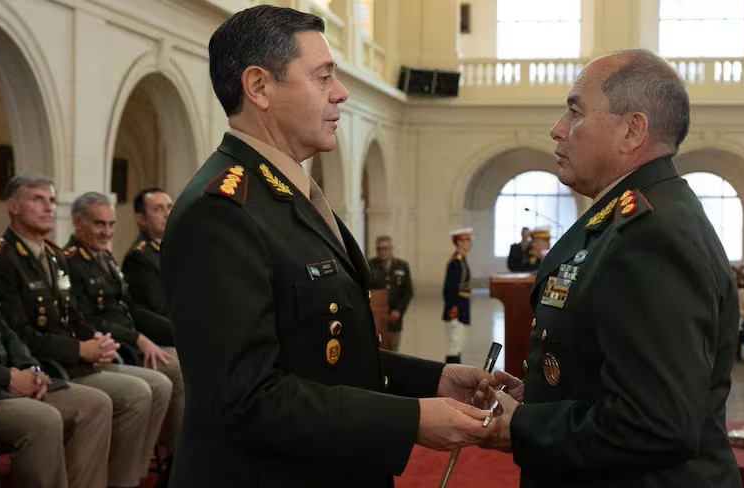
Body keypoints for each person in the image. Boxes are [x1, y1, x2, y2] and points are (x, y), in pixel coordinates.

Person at [161, 6, 495, 487]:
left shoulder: (285, 194)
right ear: (259, 87)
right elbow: (244, 398)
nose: (341, 92)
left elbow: (321, 354)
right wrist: (411, 419)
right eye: (323, 77)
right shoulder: (222, 212)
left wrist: (431, 381)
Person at [481, 50, 741, 488]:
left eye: (575, 112)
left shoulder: (653, 235)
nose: (558, 129)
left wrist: (523, 426)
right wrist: (541, 398)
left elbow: (655, 422)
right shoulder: (625, 218)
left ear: (632, 131)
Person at [0, 175, 173, 488]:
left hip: (73, 360)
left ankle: (125, 480)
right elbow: (18, 332)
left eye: (51, 200)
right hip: (49, 364)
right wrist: (79, 349)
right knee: (130, 393)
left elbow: (73, 314)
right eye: (37, 199)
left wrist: (96, 340)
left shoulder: (54, 256)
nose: (48, 207)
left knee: (155, 385)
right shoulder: (0, 260)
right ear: (13, 206)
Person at [0, 179, 111, 488]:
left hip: (9, 380)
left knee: (95, 404)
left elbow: (4, 329)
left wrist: (31, 368)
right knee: (45, 420)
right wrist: (8, 378)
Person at [64, 191, 183, 453]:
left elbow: (129, 308)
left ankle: (167, 457)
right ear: (78, 223)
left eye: (111, 224)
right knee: (177, 371)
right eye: (99, 224)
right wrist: (137, 339)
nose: (107, 232)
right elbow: (87, 319)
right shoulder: (71, 262)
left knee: (186, 363)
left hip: (130, 341)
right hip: (113, 348)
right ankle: (173, 457)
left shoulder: (104, 258)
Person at [122, 188, 172, 321]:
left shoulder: (175, 247)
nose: (167, 214)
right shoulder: (139, 258)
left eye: (169, 207)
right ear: (141, 219)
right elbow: (157, 307)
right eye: (158, 209)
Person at [367, 235, 413, 351]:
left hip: (394, 319)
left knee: (393, 351)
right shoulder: (370, 265)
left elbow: (408, 292)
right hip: (376, 319)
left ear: (391, 249)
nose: (382, 252)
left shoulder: (402, 266)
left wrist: (399, 310)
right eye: (379, 249)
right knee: (377, 350)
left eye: (385, 249)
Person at [442, 228, 472, 364]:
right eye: (467, 240)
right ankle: (451, 371)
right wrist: (453, 307)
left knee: (459, 343)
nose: (470, 243)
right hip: (456, 307)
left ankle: (456, 370)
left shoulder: (462, 260)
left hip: (462, 305)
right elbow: (449, 288)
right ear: (459, 243)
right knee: (455, 344)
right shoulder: (455, 262)